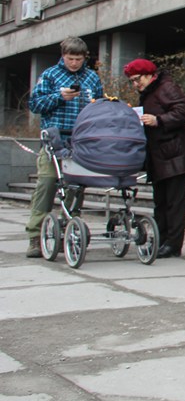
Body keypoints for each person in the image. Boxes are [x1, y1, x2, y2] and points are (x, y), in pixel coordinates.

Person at [25, 37, 104, 257]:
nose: (74, 63)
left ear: (84, 58)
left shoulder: (91, 77)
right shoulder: (50, 75)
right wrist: (59, 96)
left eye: (78, 59)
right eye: (70, 58)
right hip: (54, 139)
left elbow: (99, 105)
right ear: (63, 56)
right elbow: (35, 104)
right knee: (47, 183)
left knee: (75, 187)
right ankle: (35, 235)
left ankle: (67, 231)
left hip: (80, 140)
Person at [124, 59, 185, 258]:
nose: (136, 84)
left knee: (174, 203)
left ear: (149, 74)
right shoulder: (151, 92)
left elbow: (183, 111)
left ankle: (172, 244)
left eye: (137, 79)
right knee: (161, 202)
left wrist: (158, 120)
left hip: (175, 155)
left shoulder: (165, 87)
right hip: (161, 156)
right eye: (132, 81)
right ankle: (162, 240)